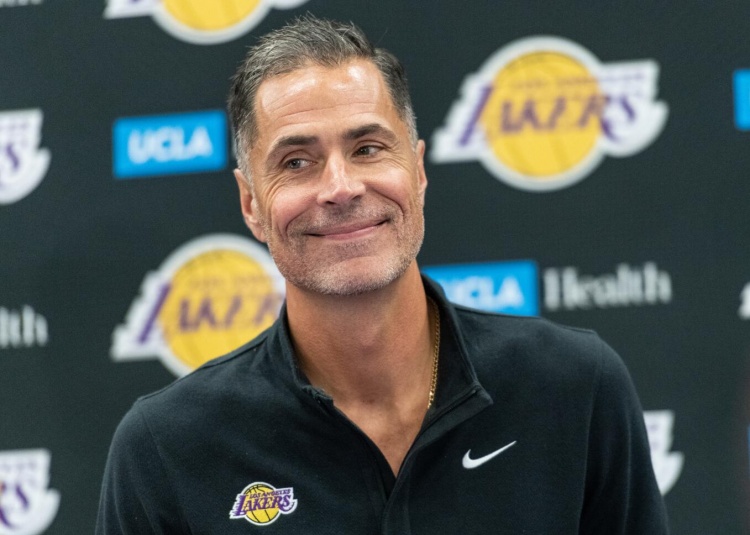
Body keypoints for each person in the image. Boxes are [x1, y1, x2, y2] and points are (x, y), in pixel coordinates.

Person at [96, 15, 669, 534]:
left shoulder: (574, 387)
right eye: (297, 162)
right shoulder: (166, 448)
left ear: (417, 170)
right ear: (251, 204)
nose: (341, 187)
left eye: (368, 149)